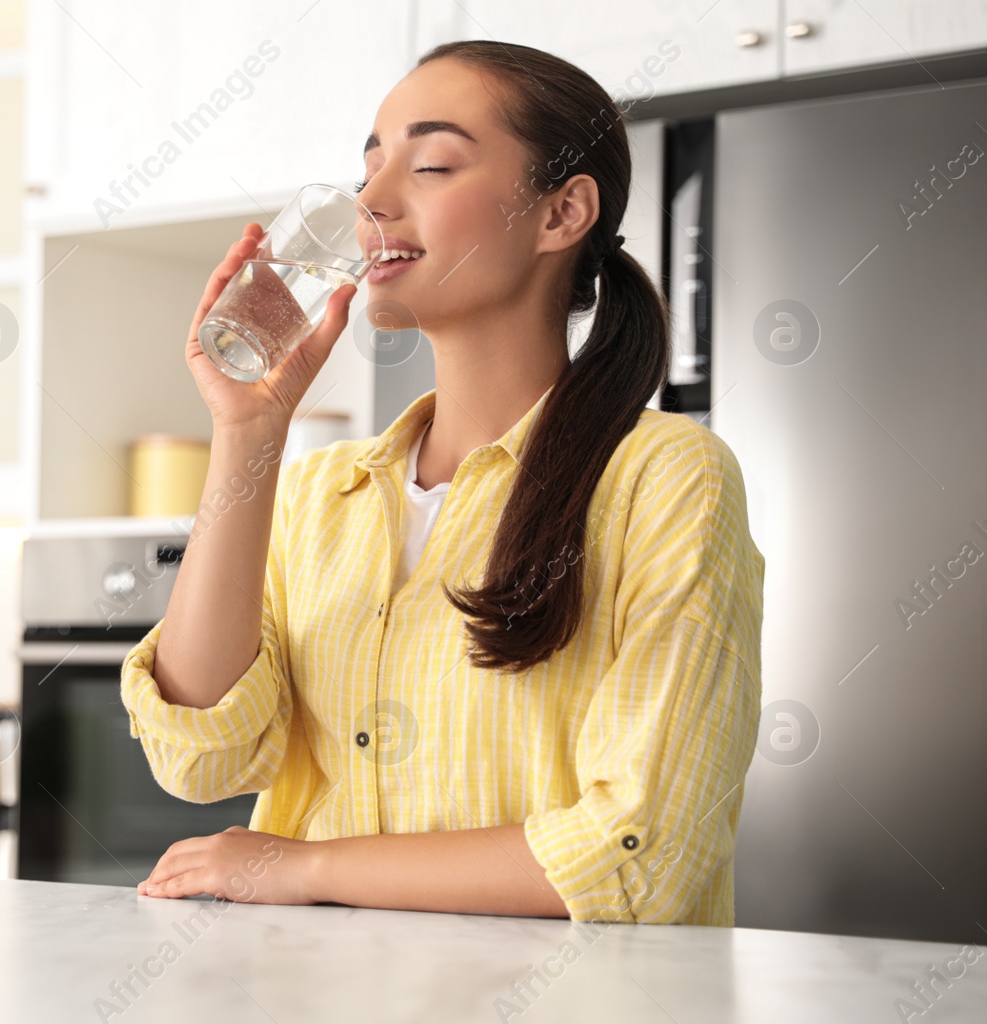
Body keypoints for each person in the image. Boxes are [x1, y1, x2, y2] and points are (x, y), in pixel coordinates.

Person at [120, 40, 765, 925]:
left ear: (561, 212)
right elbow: (198, 759)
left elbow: (637, 856)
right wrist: (247, 434)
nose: (371, 201)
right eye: (370, 164)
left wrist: (302, 866)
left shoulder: (666, 480)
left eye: (429, 163)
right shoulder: (319, 495)